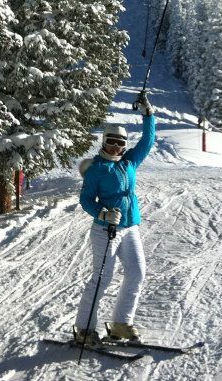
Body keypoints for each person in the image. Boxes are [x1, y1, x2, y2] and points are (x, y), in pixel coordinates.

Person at [73, 91, 157, 344]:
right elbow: (86, 199)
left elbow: (148, 141)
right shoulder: (97, 169)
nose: (117, 147)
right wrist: (103, 213)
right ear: (104, 142)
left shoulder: (129, 162)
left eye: (121, 143)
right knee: (102, 278)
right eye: (112, 142)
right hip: (105, 230)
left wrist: (148, 115)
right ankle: (84, 329)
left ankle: (121, 323)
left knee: (137, 273)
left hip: (130, 228)